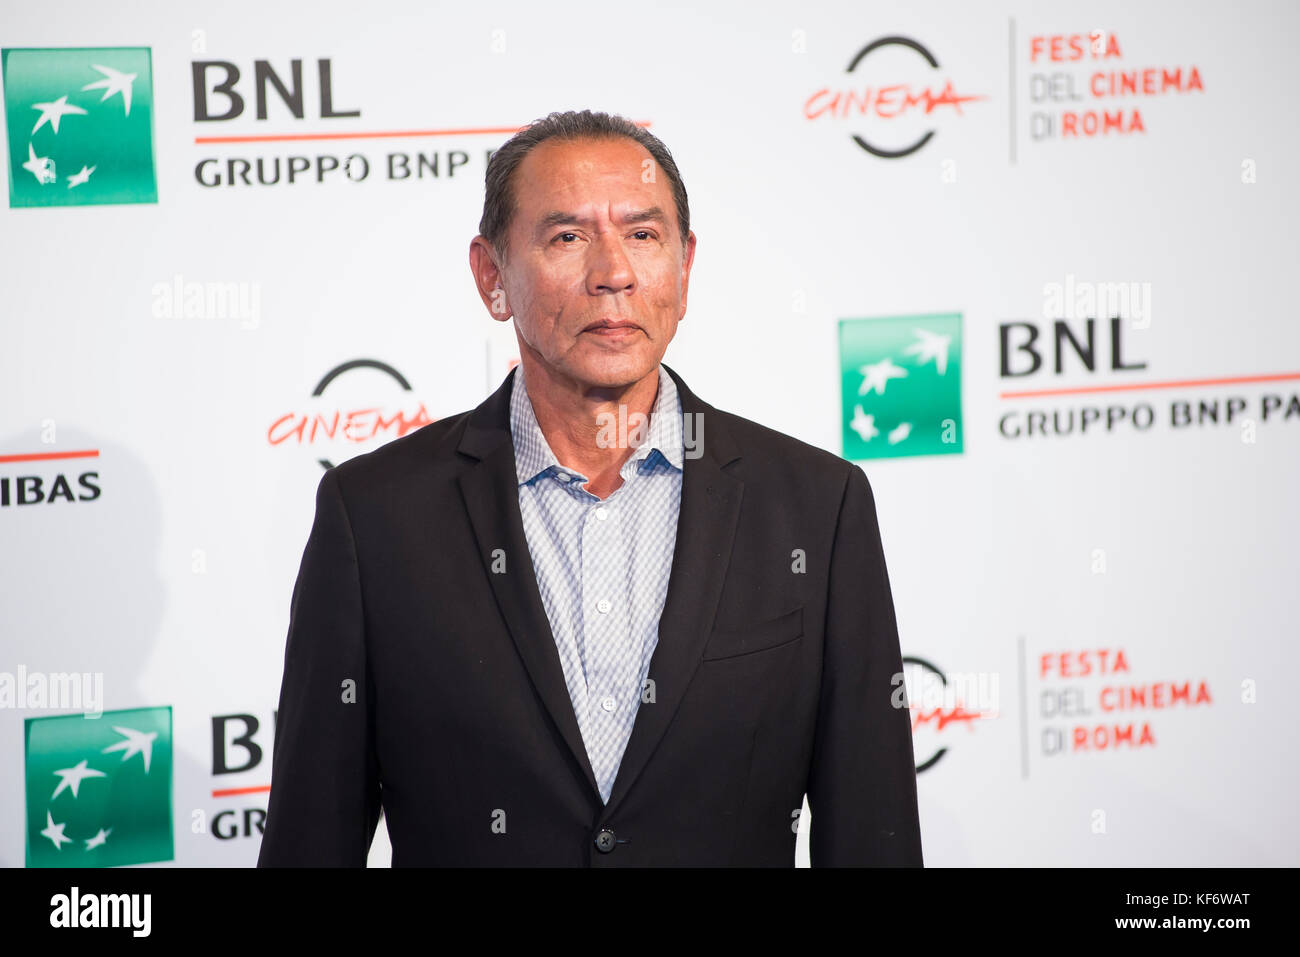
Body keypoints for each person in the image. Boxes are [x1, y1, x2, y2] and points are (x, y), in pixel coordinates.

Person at [257, 109, 922, 867]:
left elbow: (874, 832)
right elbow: (311, 839)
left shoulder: (815, 505)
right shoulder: (374, 518)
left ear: (684, 266)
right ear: (491, 275)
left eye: (643, 235)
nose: (614, 272)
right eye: (567, 237)